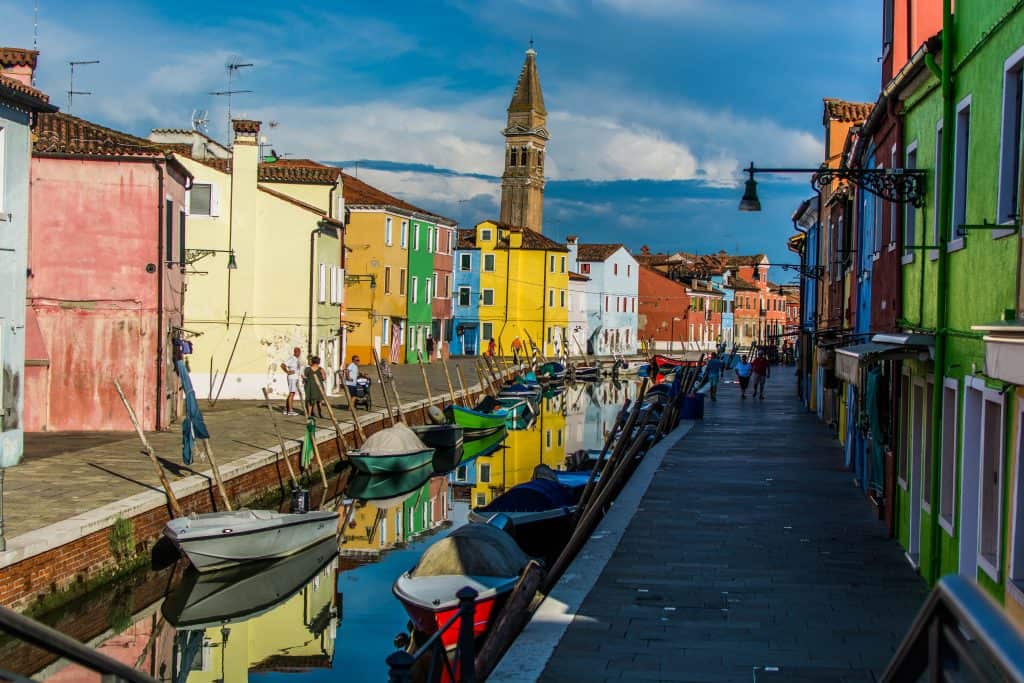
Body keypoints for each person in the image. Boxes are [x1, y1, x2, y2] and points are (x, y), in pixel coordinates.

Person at [280, 347, 303, 415]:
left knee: (291, 393)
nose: (299, 353)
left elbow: (298, 369)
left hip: (295, 378)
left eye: (299, 352)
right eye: (298, 352)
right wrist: (287, 371)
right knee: (292, 393)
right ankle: (290, 410)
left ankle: (286, 409)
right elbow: (282, 365)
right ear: (295, 352)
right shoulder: (291, 359)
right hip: (292, 378)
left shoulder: (297, 359)